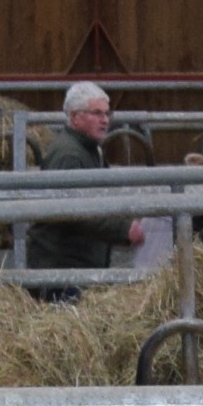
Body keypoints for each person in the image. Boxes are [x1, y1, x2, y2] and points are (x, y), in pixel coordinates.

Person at [25, 81, 130, 277]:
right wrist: (124, 230)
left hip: (76, 265)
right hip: (61, 269)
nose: (105, 120)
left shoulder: (90, 149)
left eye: (107, 114)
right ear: (75, 116)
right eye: (96, 113)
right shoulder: (69, 155)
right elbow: (73, 212)